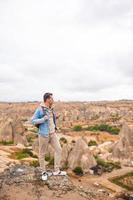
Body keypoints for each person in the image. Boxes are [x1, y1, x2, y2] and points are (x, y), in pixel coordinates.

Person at [31, 92, 66, 180]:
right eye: (52, 98)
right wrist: (43, 119)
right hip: (44, 134)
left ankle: (56, 170)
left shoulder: (51, 109)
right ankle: (43, 172)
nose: (53, 100)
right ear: (47, 99)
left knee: (59, 150)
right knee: (42, 153)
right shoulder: (40, 109)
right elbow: (33, 121)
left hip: (52, 133)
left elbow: (51, 120)